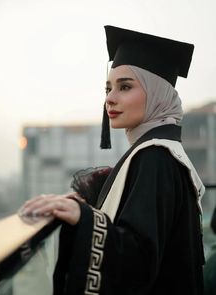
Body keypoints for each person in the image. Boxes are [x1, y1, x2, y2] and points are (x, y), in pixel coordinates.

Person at [19, 25, 206, 294]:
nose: (110, 98)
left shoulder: (155, 156)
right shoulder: (164, 153)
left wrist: (83, 218)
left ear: (157, 94)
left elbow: (139, 259)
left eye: (125, 87)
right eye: (108, 88)